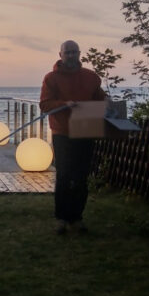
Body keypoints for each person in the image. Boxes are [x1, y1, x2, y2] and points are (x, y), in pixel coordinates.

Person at [40, 40, 106, 235]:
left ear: (79, 54)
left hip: (85, 131)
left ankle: (76, 218)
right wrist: (64, 103)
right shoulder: (51, 78)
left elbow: (101, 100)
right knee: (64, 176)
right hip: (62, 133)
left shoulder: (91, 77)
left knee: (81, 177)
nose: (70, 55)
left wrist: (111, 108)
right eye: (67, 52)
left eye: (73, 52)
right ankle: (61, 218)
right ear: (60, 54)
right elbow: (44, 104)